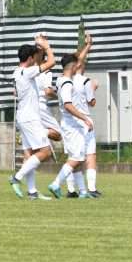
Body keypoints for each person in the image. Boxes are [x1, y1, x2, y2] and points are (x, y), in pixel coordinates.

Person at [8, 36, 56, 199]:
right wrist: (47, 47)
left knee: (30, 154)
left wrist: (39, 47)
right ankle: (17, 177)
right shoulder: (27, 72)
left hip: (23, 116)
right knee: (46, 151)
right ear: (29, 58)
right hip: (30, 118)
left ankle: (32, 192)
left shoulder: (16, 72)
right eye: (33, 57)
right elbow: (52, 63)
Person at [48, 54, 94, 199]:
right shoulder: (67, 83)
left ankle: (83, 191)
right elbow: (68, 105)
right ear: (73, 66)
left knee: (77, 157)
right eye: (77, 66)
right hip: (72, 125)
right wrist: (84, 118)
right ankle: (56, 183)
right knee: (77, 158)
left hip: (67, 124)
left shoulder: (60, 80)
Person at [66, 33, 101, 198]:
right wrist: (94, 88)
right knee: (90, 154)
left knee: (73, 156)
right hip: (84, 120)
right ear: (79, 65)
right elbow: (91, 102)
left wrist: (87, 46)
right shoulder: (86, 81)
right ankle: (92, 188)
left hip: (69, 122)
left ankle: (71, 189)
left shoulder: (65, 80)